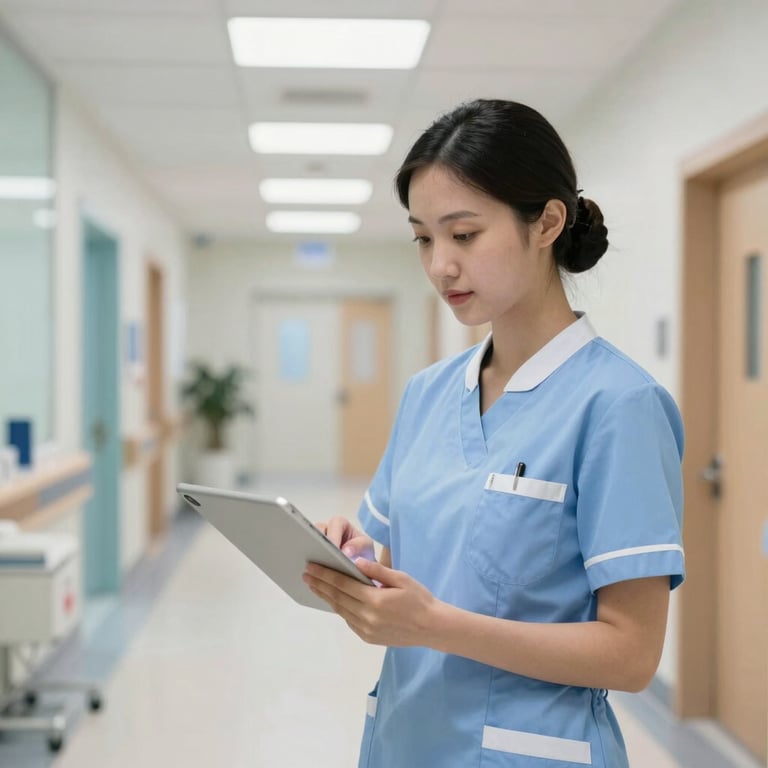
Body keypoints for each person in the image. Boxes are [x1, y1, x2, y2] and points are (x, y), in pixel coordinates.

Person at [302, 99, 685, 768]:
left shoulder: (618, 405)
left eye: (464, 235)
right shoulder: (428, 393)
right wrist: (359, 563)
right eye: (424, 237)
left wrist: (433, 625)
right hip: (402, 741)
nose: (440, 266)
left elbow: (630, 656)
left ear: (547, 222)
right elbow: (418, 570)